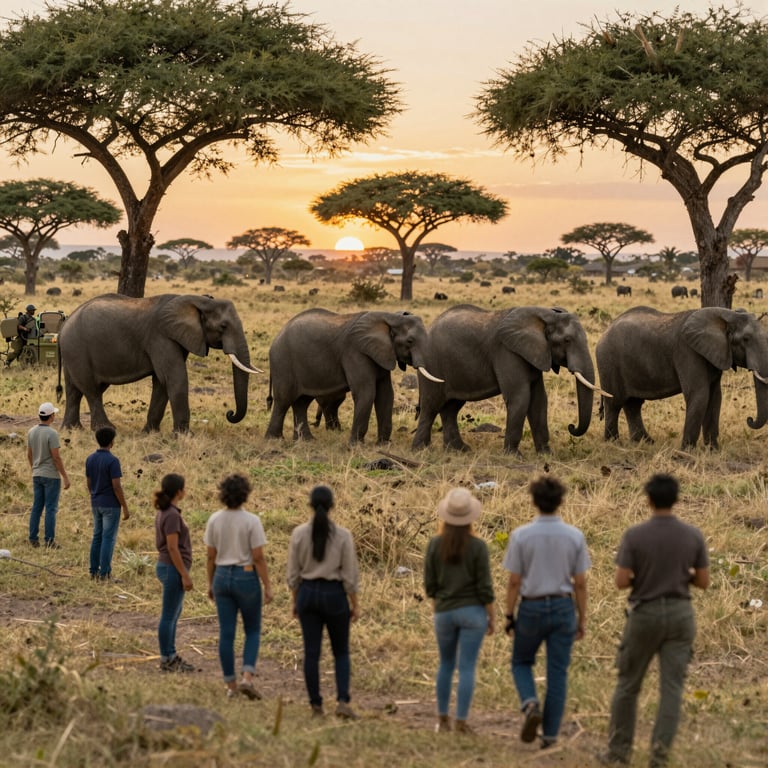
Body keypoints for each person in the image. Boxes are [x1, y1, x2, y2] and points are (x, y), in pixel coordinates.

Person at [599, 474, 710, 768]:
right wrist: (680, 575)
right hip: (680, 614)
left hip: (645, 613)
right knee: (672, 688)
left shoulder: (635, 535)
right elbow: (703, 581)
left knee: (627, 685)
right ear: (677, 499)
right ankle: (659, 758)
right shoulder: (692, 535)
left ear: (648, 500)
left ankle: (618, 753)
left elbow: (621, 582)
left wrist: (644, 576)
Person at [503, 475, 590, 749]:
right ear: (561, 501)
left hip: (531, 606)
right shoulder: (575, 536)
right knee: (557, 673)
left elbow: (514, 581)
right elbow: (581, 583)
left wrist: (509, 615)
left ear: (533, 501)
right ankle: (550, 735)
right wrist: (581, 617)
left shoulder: (521, 535)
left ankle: (530, 703)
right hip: (564, 606)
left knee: (520, 662)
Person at [424, 487, 495, 734]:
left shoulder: (434, 544)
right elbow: (485, 587)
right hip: (473, 613)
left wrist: (439, 607)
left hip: (443, 612)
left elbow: (429, 585)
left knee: (445, 664)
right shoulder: (478, 547)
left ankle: (442, 720)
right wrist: (492, 616)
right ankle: (462, 721)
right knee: (466, 668)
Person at [287, 485, 360, 719]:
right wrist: (355, 603)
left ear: (309, 504)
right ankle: (342, 702)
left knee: (311, 652)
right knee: (341, 652)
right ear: (332, 506)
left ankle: (316, 705)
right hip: (334, 594)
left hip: (307, 592)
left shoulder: (298, 534)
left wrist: (295, 601)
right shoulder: (343, 535)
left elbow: (293, 575)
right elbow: (350, 576)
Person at [204, 474, 273, 699]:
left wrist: (210, 583)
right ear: (246, 494)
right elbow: (258, 557)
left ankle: (231, 686)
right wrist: (268, 585)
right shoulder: (252, 521)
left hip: (222, 576)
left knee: (226, 633)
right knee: (252, 629)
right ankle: (247, 677)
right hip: (246, 576)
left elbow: (210, 556)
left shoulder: (215, 519)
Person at [154, 473, 196, 673]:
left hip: (169, 567)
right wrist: (184, 574)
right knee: (169, 615)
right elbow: (172, 548)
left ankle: (171, 655)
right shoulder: (171, 514)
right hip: (172, 568)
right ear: (179, 491)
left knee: (173, 613)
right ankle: (167, 658)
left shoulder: (166, 511)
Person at [85, 427, 130, 581]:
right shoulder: (113, 461)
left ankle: (93, 571)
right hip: (111, 504)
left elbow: (89, 482)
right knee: (108, 538)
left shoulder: (90, 459)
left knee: (97, 536)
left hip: (96, 502)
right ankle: (105, 573)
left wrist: (94, 495)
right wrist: (124, 506)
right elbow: (116, 486)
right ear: (112, 442)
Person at [27, 402, 70, 548]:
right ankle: (49, 540)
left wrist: (34, 468)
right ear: (51, 416)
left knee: (37, 507)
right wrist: (65, 476)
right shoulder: (52, 433)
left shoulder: (31, 431)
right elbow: (56, 457)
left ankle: (33, 538)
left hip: (37, 473)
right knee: (51, 509)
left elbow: (29, 454)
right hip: (51, 475)